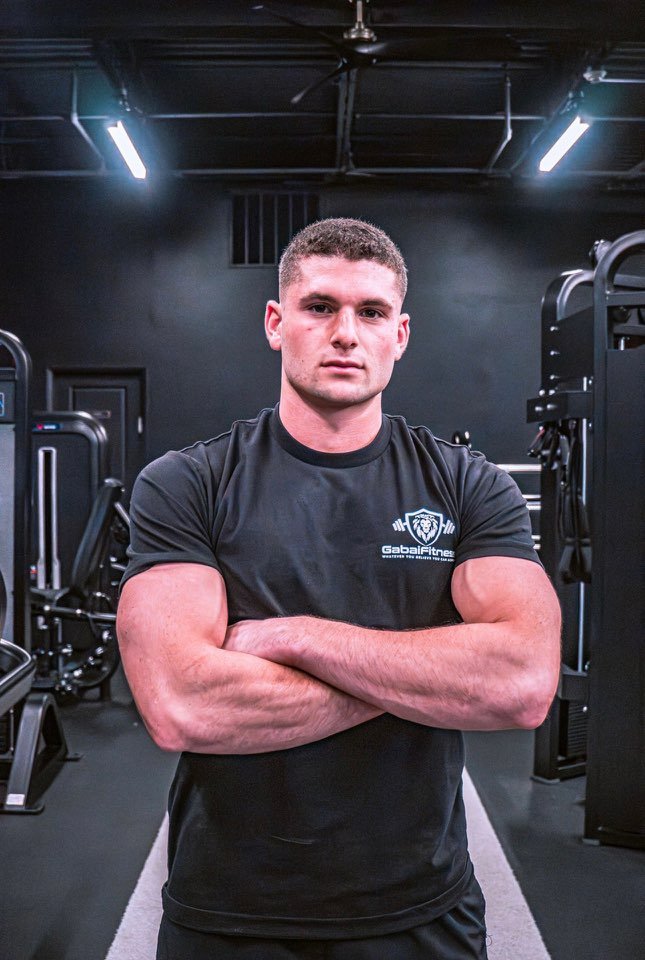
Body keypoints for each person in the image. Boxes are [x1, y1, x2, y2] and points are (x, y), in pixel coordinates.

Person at [117, 218, 561, 960]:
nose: (346, 334)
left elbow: (521, 684)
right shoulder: (188, 483)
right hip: (229, 910)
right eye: (320, 306)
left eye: (372, 312)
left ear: (400, 334)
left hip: (421, 908)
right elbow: (180, 704)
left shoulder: (468, 486)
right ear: (275, 322)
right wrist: (431, 676)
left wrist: (294, 638)